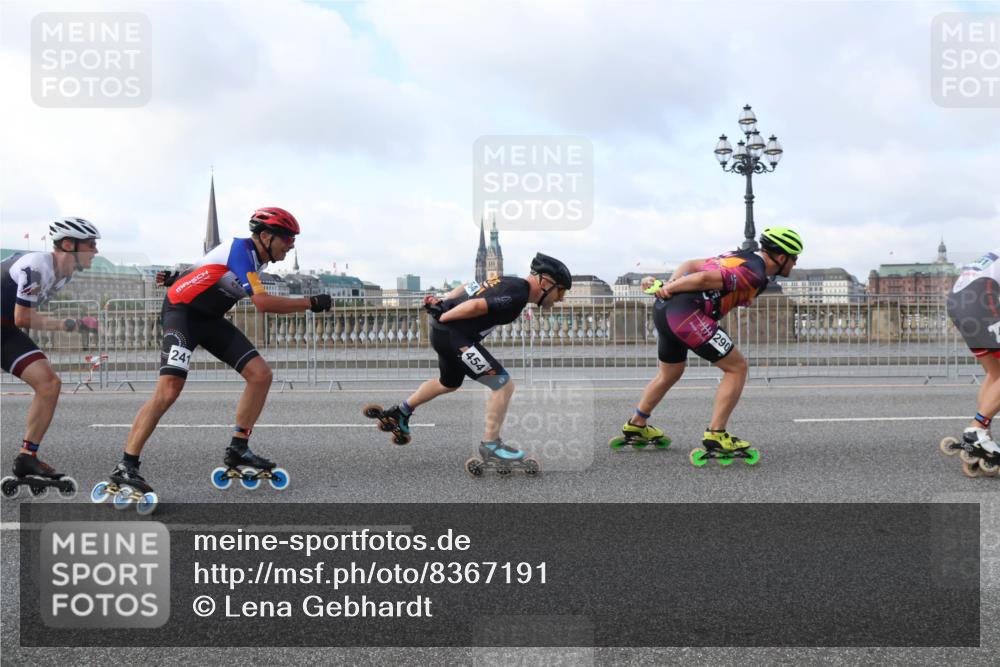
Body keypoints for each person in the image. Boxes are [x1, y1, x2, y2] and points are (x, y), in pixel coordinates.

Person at [97, 207, 332, 505]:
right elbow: (261, 303)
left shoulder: (255, 259)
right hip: (182, 315)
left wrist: (176, 276)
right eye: (287, 238)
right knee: (169, 390)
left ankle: (238, 447)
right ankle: (125, 466)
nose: (291, 244)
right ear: (265, 236)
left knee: (260, 375)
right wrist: (310, 302)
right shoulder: (241, 251)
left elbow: (203, 266)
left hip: (209, 319)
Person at [364, 253, 571, 476]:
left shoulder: (508, 281)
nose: (561, 298)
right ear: (545, 282)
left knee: (449, 383)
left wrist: (442, 303)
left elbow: (468, 287)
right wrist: (445, 316)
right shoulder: (518, 295)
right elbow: (476, 306)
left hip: (445, 334)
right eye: (560, 291)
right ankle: (491, 446)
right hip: (455, 337)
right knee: (503, 385)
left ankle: (400, 412)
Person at [617, 227, 803, 466]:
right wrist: (671, 288)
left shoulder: (738, 256)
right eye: (794, 257)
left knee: (670, 372)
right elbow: (703, 278)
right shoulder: (755, 272)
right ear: (780, 257)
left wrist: (669, 287)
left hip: (666, 311)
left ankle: (637, 424)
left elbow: (689, 264)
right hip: (687, 314)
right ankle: (716, 434)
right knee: (737, 368)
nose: (795, 263)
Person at [0, 218, 100, 497]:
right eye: (90, 244)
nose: (95, 250)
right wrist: (70, 324)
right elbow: (24, 317)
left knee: (49, 384)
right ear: (69, 244)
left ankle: (27, 457)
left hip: (4, 331)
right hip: (8, 325)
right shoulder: (37, 267)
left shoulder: (64, 274)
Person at [942, 246, 1000, 478]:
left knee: (995, 373)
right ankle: (977, 429)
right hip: (981, 299)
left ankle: (982, 438)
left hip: (959, 302)